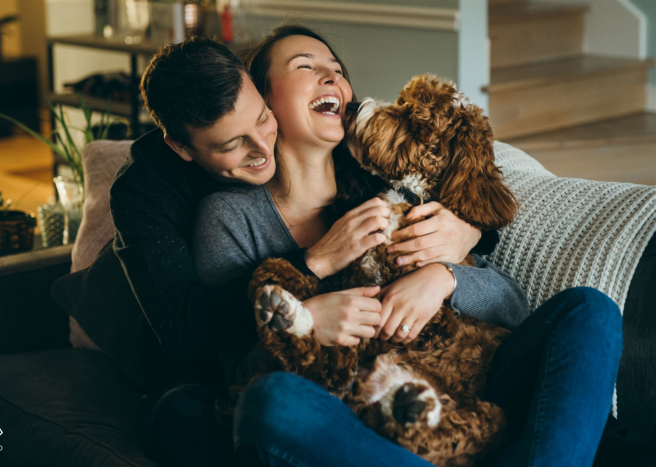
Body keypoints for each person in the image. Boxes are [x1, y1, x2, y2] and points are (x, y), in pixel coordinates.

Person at [188, 25, 623, 467]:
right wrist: (308, 314)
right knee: (271, 401)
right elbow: (233, 373)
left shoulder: (389, 182)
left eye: (336, 70)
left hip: (466, 387)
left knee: (589, 310)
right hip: (357, 414)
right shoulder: (230, 216)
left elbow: (512, 308)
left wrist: (444, 277)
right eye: (305, 67)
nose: (331, 78)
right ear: (264, 104)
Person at [109, 36, 489, 466]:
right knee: (206, 411)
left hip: (429, 377)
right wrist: (311, 288)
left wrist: (460, 249)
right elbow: (188, 333)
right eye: (232, 144)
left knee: (581, 311)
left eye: (261, 120)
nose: (260, 147)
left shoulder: (358, 152)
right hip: (247, 378)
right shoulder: (161, 194)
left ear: (259, 97)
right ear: (182, 147)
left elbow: (461, 180)